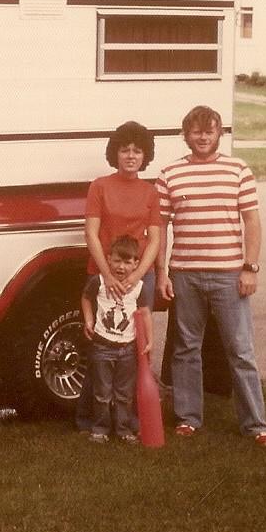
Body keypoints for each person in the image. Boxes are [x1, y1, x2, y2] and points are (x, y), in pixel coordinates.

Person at [155, 105, 266, 447]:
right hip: (185, 275)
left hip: (229, 275)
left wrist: (250, 267)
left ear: (219, 134)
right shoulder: (169, 174)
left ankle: (257, 425)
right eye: (196, 131)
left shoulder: (238, 170)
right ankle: (188, 418)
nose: (202, 137)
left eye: (209, 131)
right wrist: (162, 273)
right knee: (186, 349)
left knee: (240, 350)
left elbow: (252, 221)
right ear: (186, 135)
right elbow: (160, 228)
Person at [75, 121, 161, 431]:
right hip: (104, 278)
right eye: (125, 150)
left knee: (135, 351)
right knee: (101, 349)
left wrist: (137, 274)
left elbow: (154, 239)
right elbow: (91, 232)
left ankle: (131, 421)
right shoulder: (99, 186)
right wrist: (107, 275)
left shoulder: (150, 192)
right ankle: (90, 421)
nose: (131, 156)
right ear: (115, 153)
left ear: (145, 156)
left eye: (138, 151)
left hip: (139, 279)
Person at [81, 235, 154, 444]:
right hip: (102, 346)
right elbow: (86, 298)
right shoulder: (100, 282)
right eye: (117, 261)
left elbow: (145, 313)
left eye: (127, 262)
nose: (121, 267)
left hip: (127, 349)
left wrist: (149, 340)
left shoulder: (139, 287)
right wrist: (88, 320)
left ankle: (123, 430)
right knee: (102, 392)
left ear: (136, 264)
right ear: (108, 259)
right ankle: (100, 429)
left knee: (124, 393)